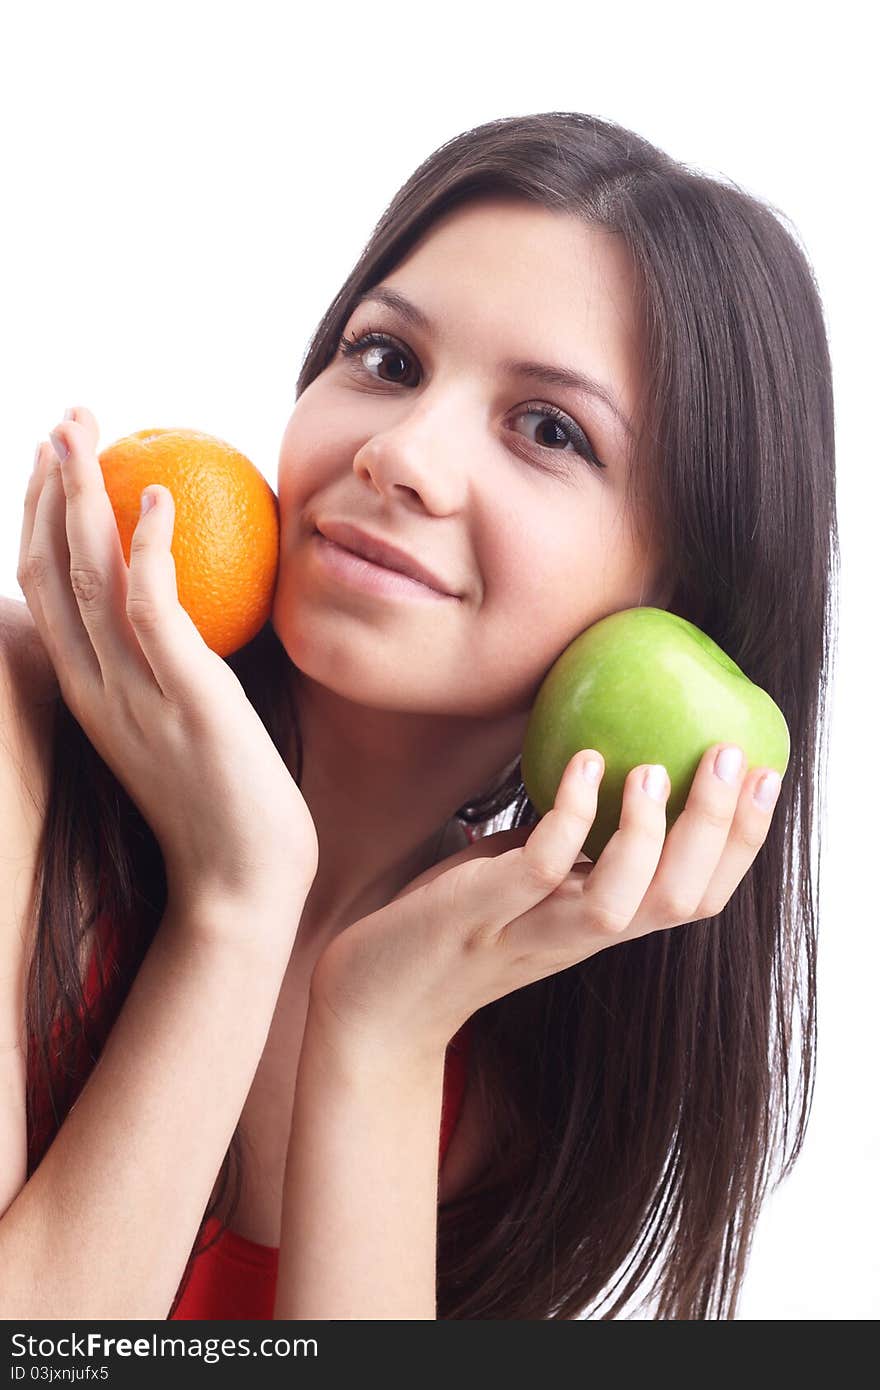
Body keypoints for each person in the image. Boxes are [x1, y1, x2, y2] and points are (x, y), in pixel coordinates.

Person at [0, 111, 836, 1321]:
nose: (401, 451)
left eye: (549, 430)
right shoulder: (17, 733)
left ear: (679, 607)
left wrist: (384, 1034)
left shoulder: (520, 1057)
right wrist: (237, 899)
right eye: (388, 359)